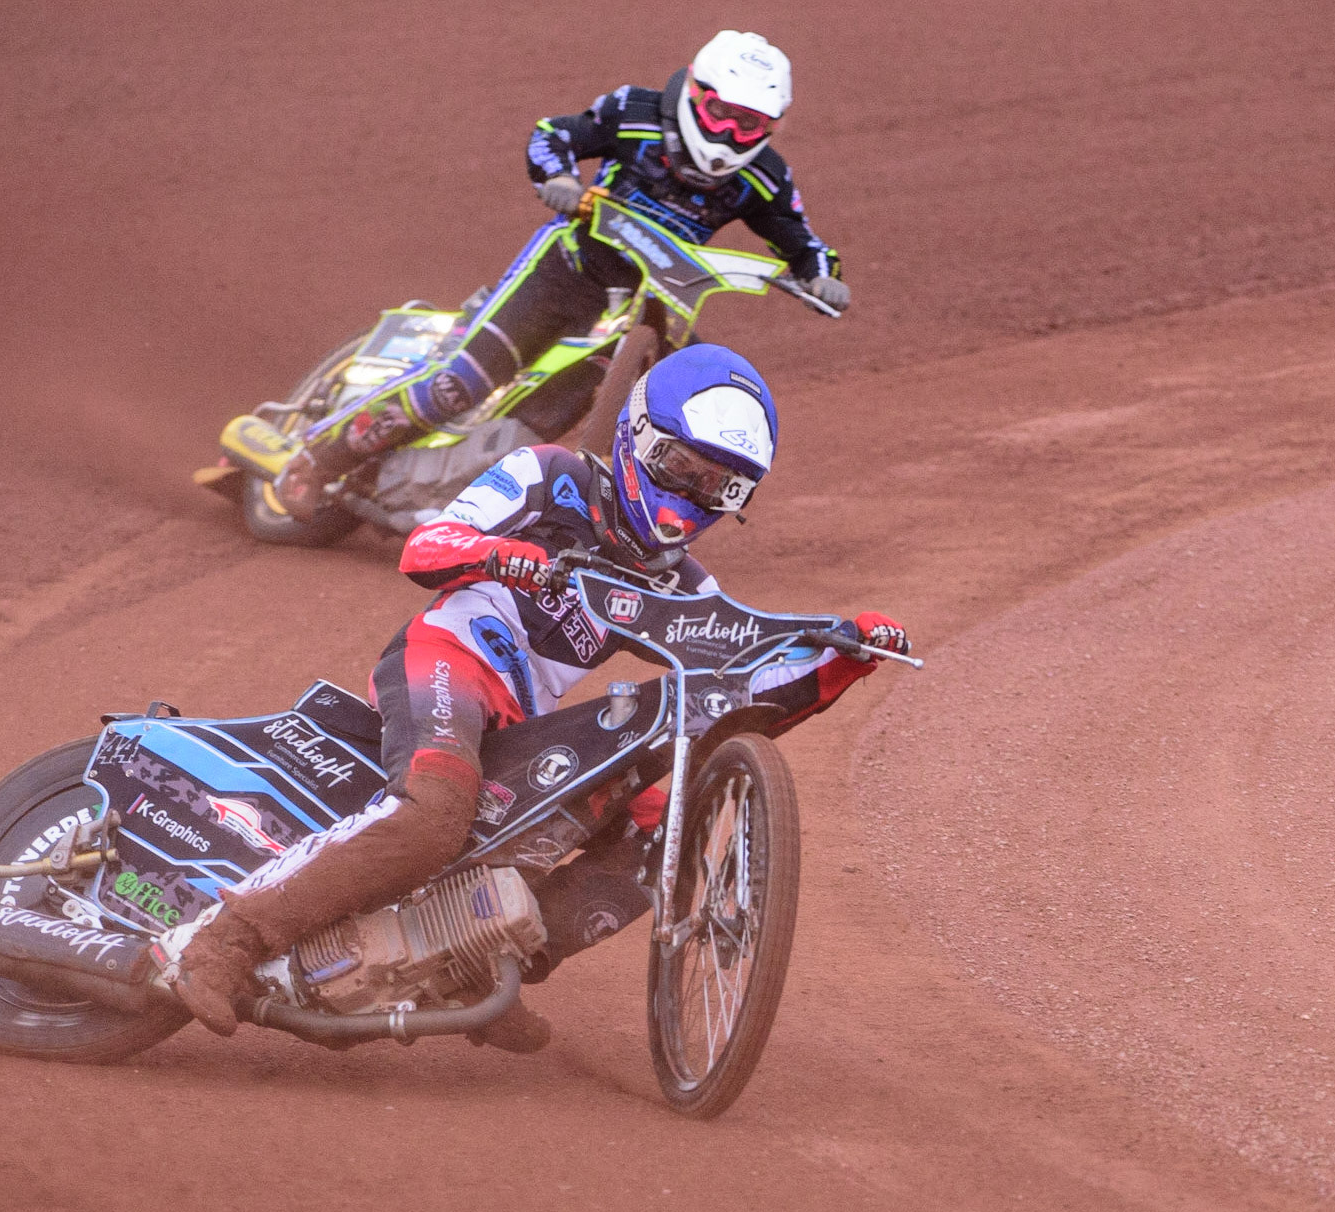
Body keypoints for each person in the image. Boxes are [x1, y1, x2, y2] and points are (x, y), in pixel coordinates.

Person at [154, 344, 908, 1052]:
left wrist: (843, 659)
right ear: (640, 436)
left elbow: (739, 689)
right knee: (436, 815)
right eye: (682, 467)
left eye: (722, 487)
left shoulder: (683, 585)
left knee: (660, 823)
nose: (692, 497)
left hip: (521, 713)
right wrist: (504, 556)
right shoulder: (552, 477)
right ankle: (226, 939)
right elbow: (427, 546)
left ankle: (474, 965)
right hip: (446, 655)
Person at [273, 29, 849, 521]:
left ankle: (604, 520)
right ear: (694, 95)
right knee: (458, 384)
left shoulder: (765, 178)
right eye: (720, 113)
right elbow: (555, 134)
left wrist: (823, 278)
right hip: (565, 274)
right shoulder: (635, 112)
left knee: (678, 411)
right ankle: (319, 457)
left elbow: (803, 243)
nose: (728, 135)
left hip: (652, 309)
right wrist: (562, 180)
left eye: (748, 124)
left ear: (770, 127)